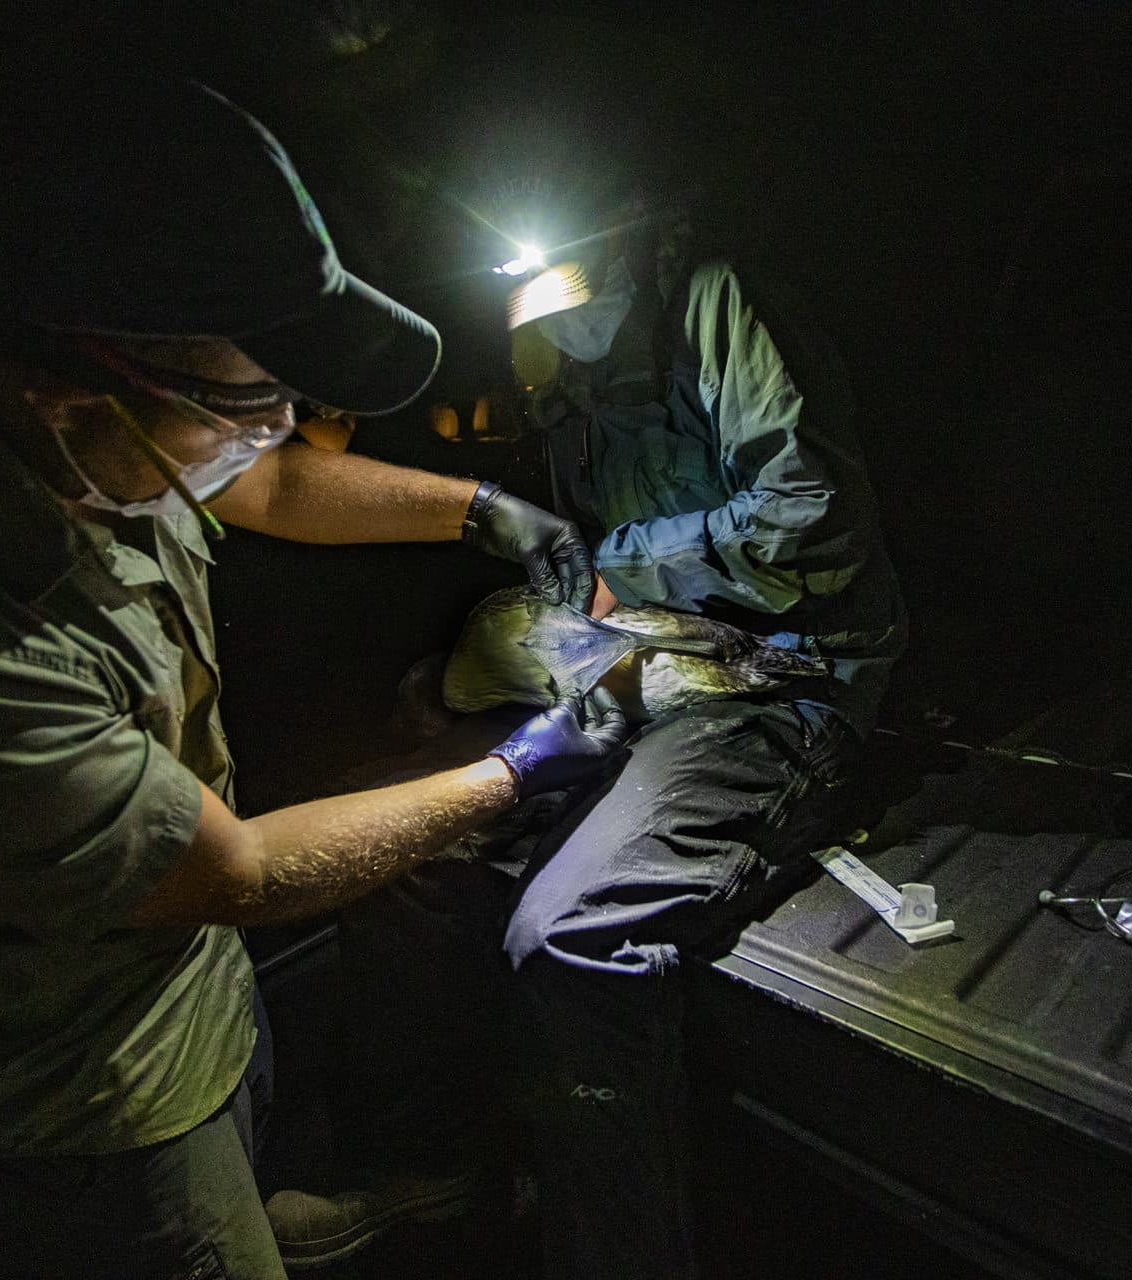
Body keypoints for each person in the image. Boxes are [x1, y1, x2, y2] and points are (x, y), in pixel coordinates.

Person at [0, 72, 629, 1280]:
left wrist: (489, 511)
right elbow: (238, 869)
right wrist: (518, 766)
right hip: (95, 1101)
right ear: (70, 393)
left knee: (241, 1154)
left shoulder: (77, 425)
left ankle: (264, 1203)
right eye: (255, 404)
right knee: (189, 1229)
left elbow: (257, 480)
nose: (286, 432)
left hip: (189, 989)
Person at [265, 207, 907, 1277]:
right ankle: (428, 1164)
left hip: (775, 679)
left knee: (572, 932)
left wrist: (624, 560)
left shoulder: (713, 298)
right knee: (405, 852)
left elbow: (812, 516)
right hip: (627, 662)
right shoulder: (540, 338)